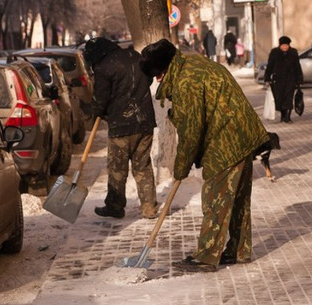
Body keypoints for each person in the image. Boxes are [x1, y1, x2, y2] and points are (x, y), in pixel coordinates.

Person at [140, 39, 269, 272]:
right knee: (238, 199)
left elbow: (191, 132)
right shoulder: (193, 64)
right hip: (243, 135)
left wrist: (180, 168)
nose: (158, 80)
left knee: (215, 200)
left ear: (165, 68)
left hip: (226, 141)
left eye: (158, 74)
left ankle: (207, 256)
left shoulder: (186, 82)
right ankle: (239, 250)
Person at [84, 37, 158, 219]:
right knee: (143, 166)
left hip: (121, 126)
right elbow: (148, 79)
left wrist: (97, 112)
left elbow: (100, 98)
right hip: (145, 122)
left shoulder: (103, 67)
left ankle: (115, 206)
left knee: (118, 168)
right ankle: (149, 207)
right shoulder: (135, 55)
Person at [264, 35, 303, 123]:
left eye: (286, 45)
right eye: (283, 45)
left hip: (290, 80)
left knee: (288, 98)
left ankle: (287, 117)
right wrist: (267, 78)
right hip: (277, 80)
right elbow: (270, 66)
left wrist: (299, 79)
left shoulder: (293, 53)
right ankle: (283, 116)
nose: (285, 47)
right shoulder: (274, 53)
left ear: (289, 45)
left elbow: (297, 66)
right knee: (279, 99)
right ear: (280, 45)